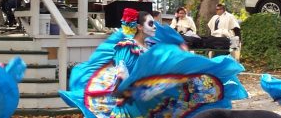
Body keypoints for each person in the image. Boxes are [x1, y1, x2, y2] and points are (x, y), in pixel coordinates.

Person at [59, 8, 248, 117]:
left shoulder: (149, 45)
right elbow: (122, 70)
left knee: (192, 90)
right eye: (151, 24)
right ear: (139, 27)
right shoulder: (127, 46)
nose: (154, 26)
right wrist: (123, 87)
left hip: (147, 95)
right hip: (131, 100)